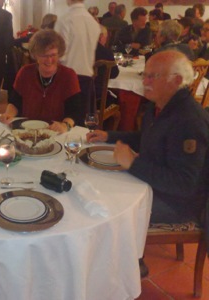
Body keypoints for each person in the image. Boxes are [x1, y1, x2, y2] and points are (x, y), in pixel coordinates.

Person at [87, 50, 209, 276]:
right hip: (154, 185)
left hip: (179, 204)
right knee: (99, 183)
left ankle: (129, 264)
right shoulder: (160, 105)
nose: (144, 81)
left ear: (177, 81)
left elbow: (184, 185)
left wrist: (133, 163)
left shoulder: (189, 121)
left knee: (110, 207)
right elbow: (147, 138)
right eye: (146, 75)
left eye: (153, 77)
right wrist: (110, 137)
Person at [0, 29, 84, 133]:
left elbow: (75, 112)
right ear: (35, 55)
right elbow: (15, 103)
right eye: (44, 55)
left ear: (59, 54)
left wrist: (65, 125)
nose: (49, 60)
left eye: (53, 55)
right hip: (28, 130)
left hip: (56, 132)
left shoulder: (68, 76)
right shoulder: (25, 73)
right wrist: (8, 114)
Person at [55, 0, 100, 113]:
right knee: (82, 124)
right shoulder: (93, 22)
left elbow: (59, 54)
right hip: (87, 79)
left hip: (66, 78)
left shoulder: (65, 20)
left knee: (64, 123)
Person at [94, 25, 119, 108]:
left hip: (81, 92)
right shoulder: (106, 52)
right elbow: (114, 73)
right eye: (106, 37)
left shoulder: (81, 49)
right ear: (101, 36)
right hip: (98, 96)